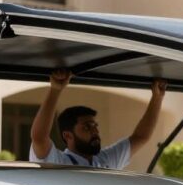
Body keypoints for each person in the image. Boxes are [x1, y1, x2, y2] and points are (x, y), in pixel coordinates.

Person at [29, 69, 167, 169]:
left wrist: (158, 97)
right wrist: (55, 90)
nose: (94, 131)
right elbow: (39, 137)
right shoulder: (58, 162)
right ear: (67, 135)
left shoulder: (105, 161)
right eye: (87, 127)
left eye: (95, 126)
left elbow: (141, 136)